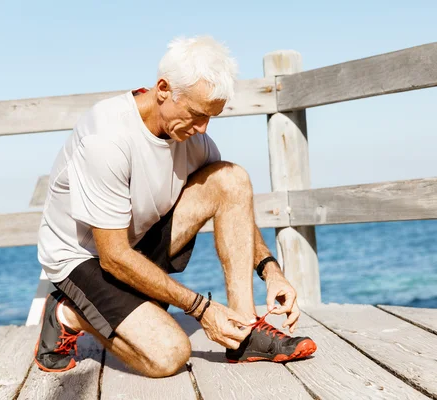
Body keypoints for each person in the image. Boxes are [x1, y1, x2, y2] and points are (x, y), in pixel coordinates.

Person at [33, 36, 317, 378]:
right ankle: (69, 313)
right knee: (169, 356)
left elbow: (232, 200)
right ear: (163, 89)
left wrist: (272, 271)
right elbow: (113, 257)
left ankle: (245, 332)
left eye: (211, 117)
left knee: (231, 177)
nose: (202, 128)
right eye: (197, 114)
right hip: (84, 258)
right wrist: (202, 308)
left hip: (134, 244)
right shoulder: (106, 140)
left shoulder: (191, 137)